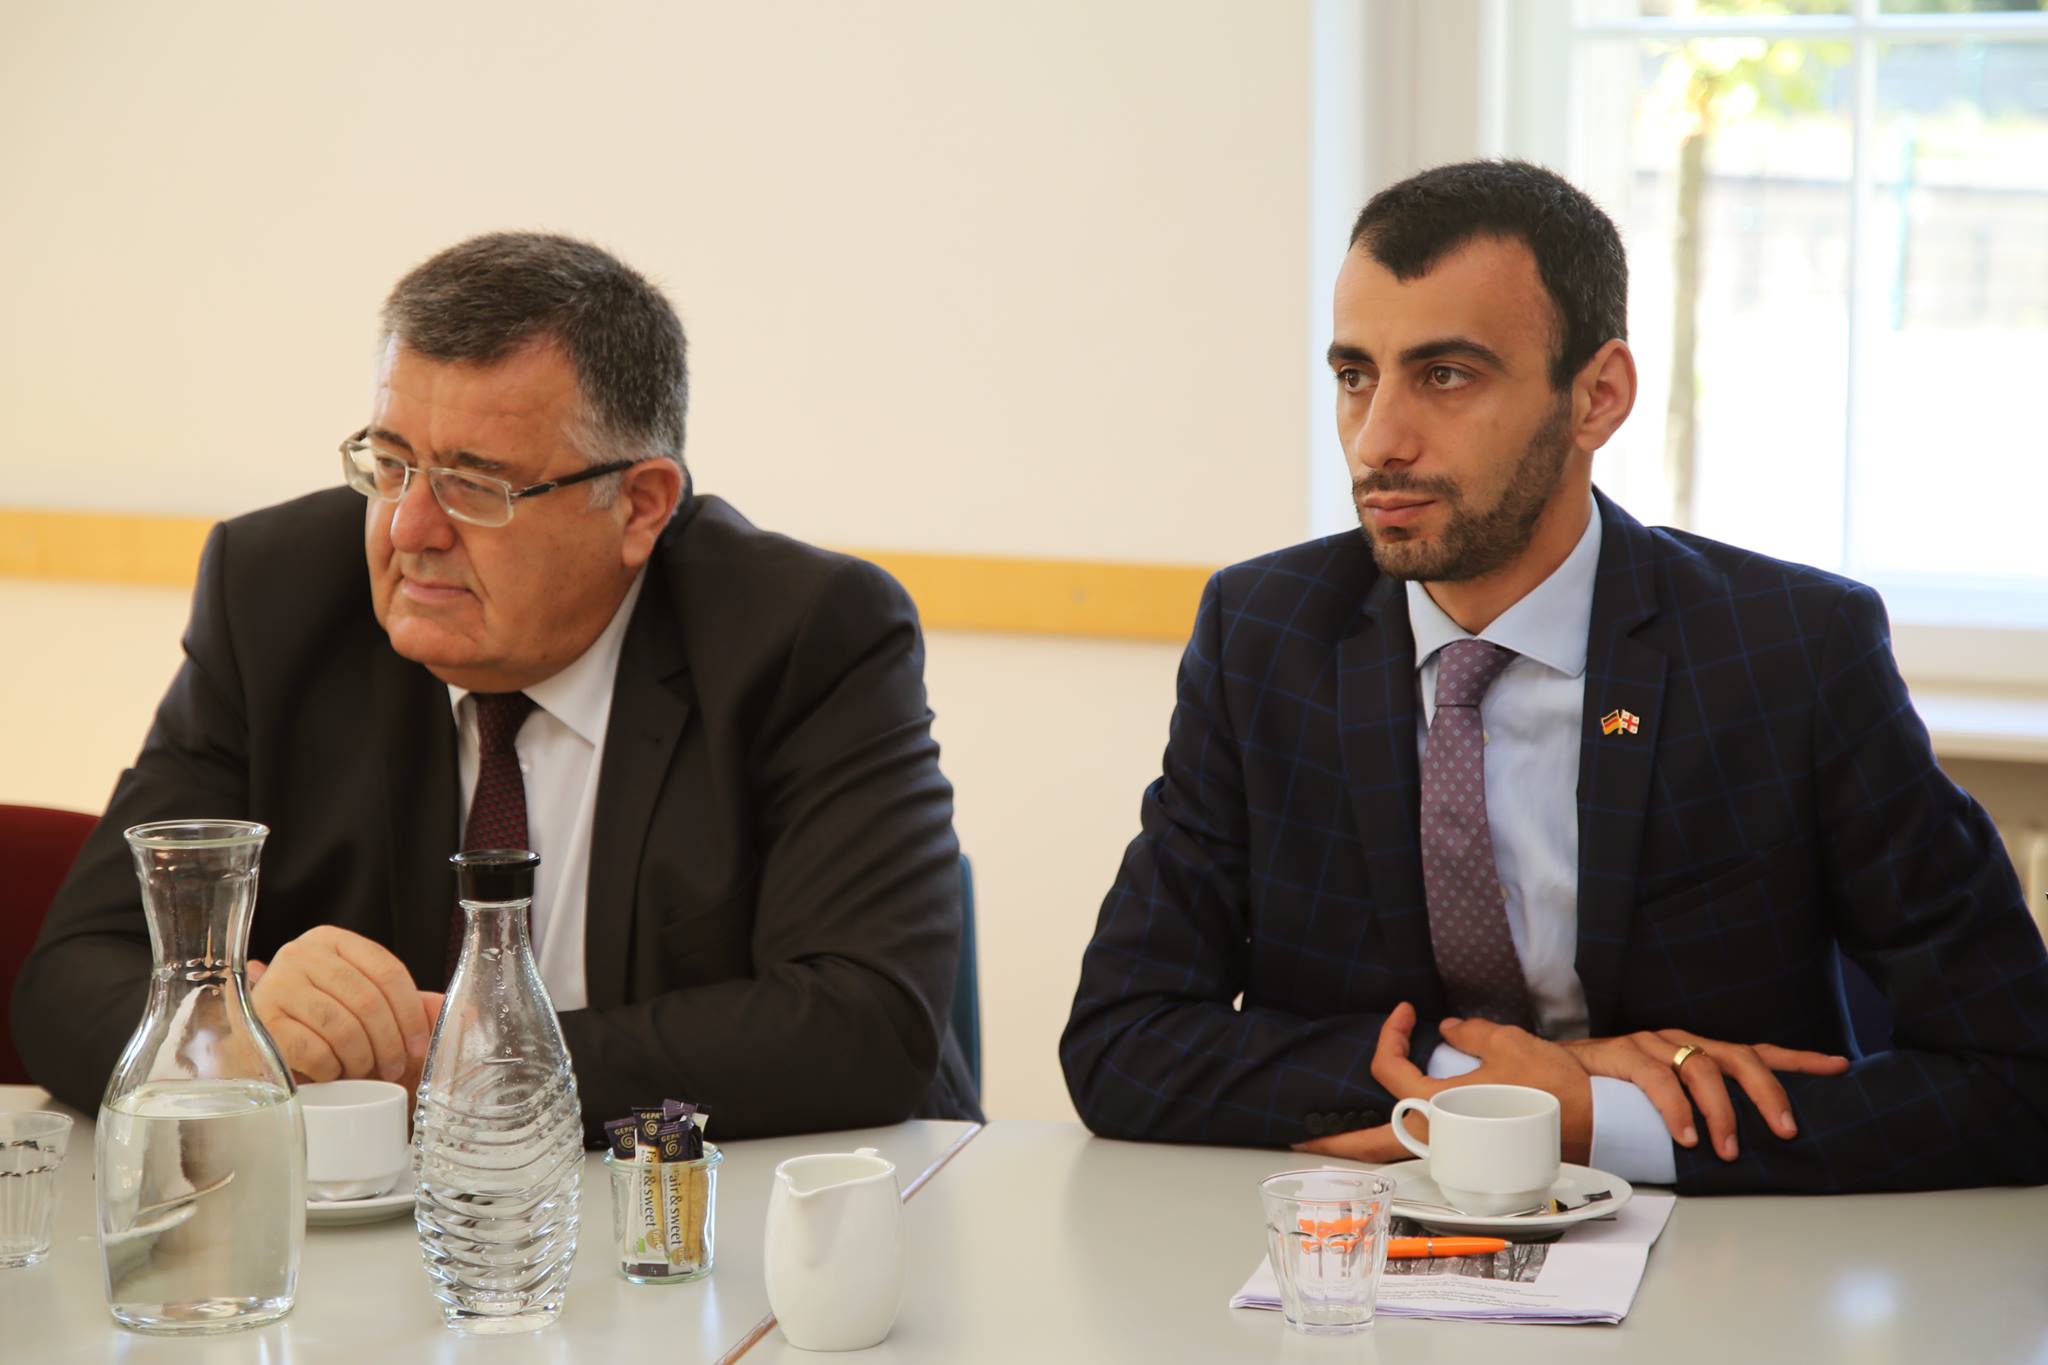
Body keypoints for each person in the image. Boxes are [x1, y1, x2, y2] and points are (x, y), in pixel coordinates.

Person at [1060, 161, 2048, 1193]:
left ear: (1596, 397)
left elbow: (2017, 1075)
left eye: (1446, 375)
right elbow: (1120, 1041)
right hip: (1369, 1251)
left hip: (1723, 1256)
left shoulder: (1790, 652)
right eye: (1356, 376)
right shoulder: (1263, 635)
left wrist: (1610, 1124)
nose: (1378, 440)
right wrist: (1506, 1092)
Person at [17, 232, 980, 1139]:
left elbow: (865, 1023)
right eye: (391, 464)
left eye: (476, 485)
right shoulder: (276, 597)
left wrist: (468, 1060)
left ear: (640, 506)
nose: (409, 529)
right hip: (376, 1227)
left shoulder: (804, 634)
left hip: (720, 1211)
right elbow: (71, 976)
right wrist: (243, 1022)